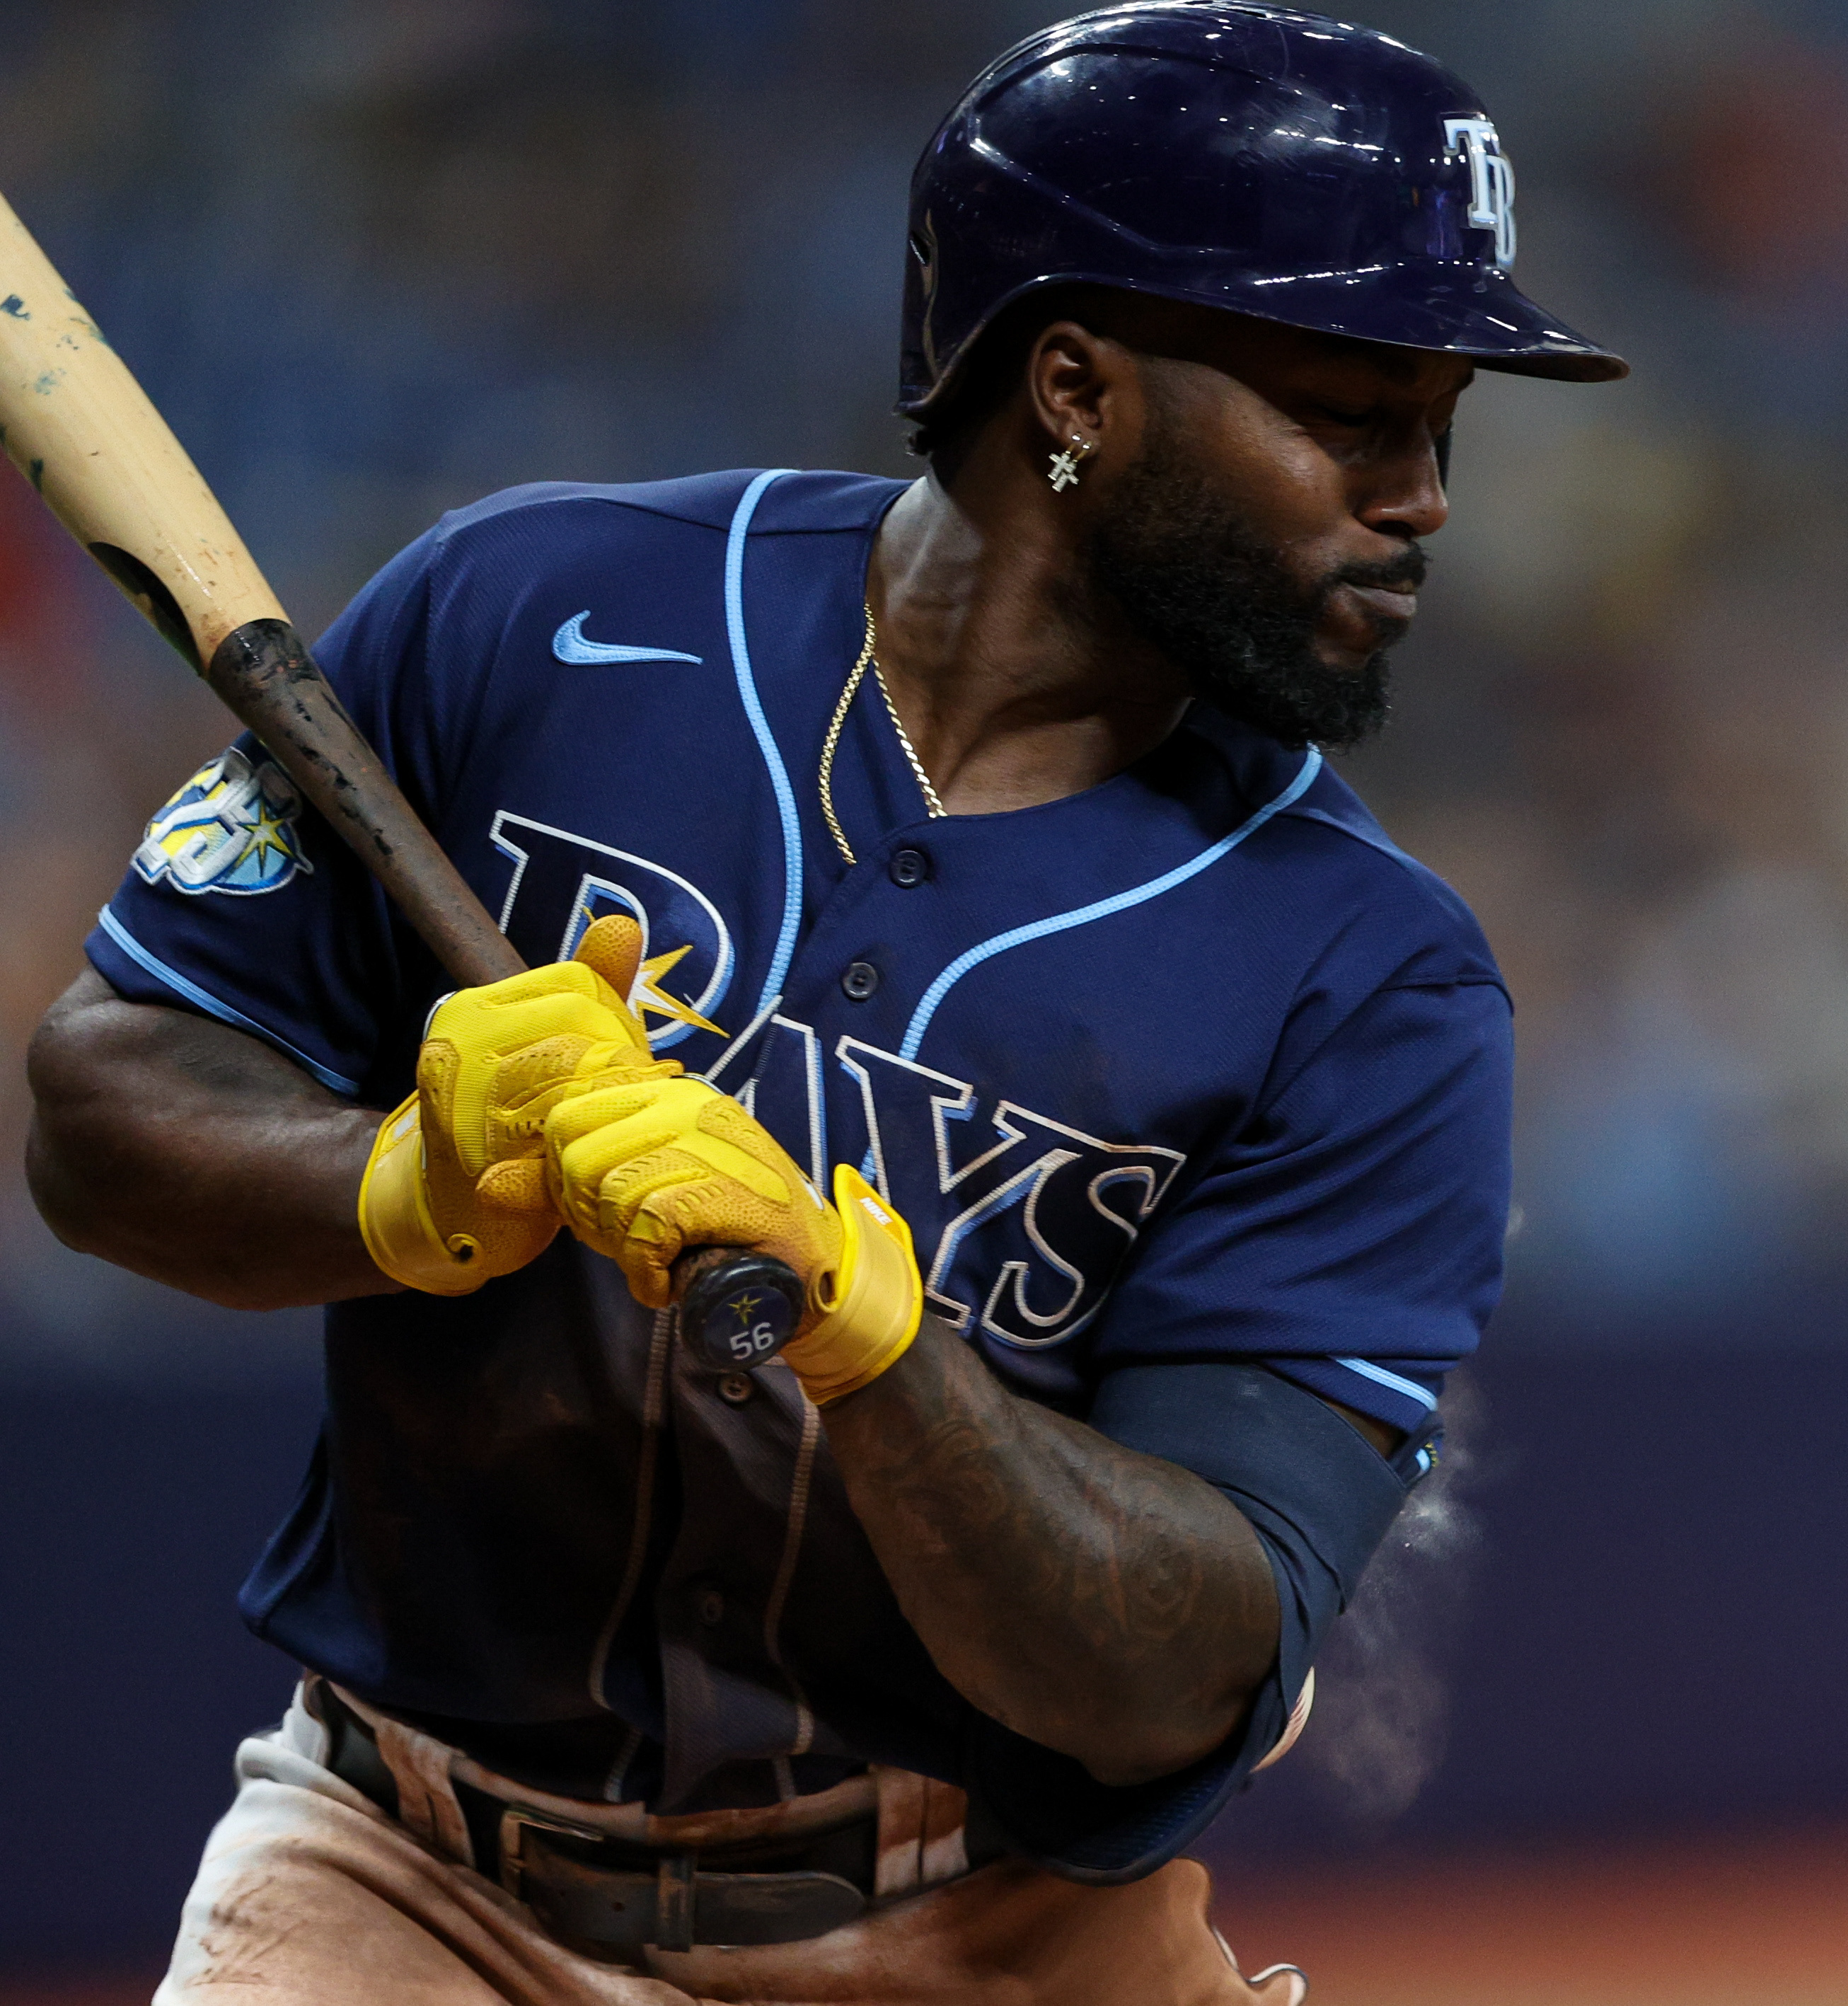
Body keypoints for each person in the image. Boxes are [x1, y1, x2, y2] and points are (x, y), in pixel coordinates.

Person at [25, 5, 1624, 2000]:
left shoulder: (1375, 980)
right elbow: (100, 1107)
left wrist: (880, 1346)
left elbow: (1179, 1666)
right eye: (1351, 412)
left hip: (997, 1933)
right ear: (1074, 389)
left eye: (1437, 423)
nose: (1422, 498)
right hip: (410, 1888)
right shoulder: (521, 616)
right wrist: (402, 1189)